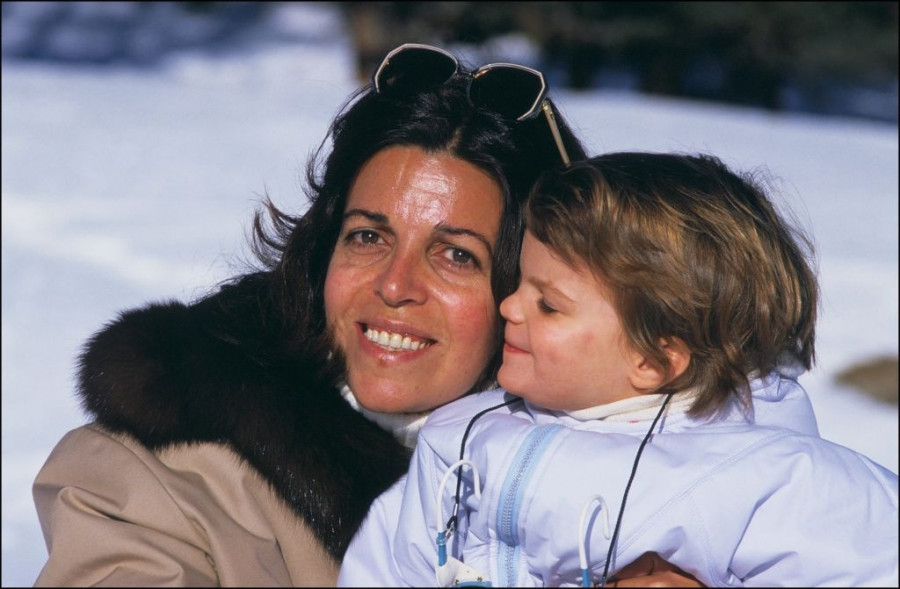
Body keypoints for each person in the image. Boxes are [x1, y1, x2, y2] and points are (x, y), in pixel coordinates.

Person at [32, 43, 696, 587]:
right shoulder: (153, 480)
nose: (396, 285)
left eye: (456, 255)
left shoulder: (650, 490)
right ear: (322, 249)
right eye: (368, 236)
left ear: (532, 291)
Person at [337, 153, 900, 587]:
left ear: (654, 359)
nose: (509, 307)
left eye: (548, 305)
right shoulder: (460, 440)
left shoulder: (770, 478)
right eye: (520, 284)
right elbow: (386, 568)